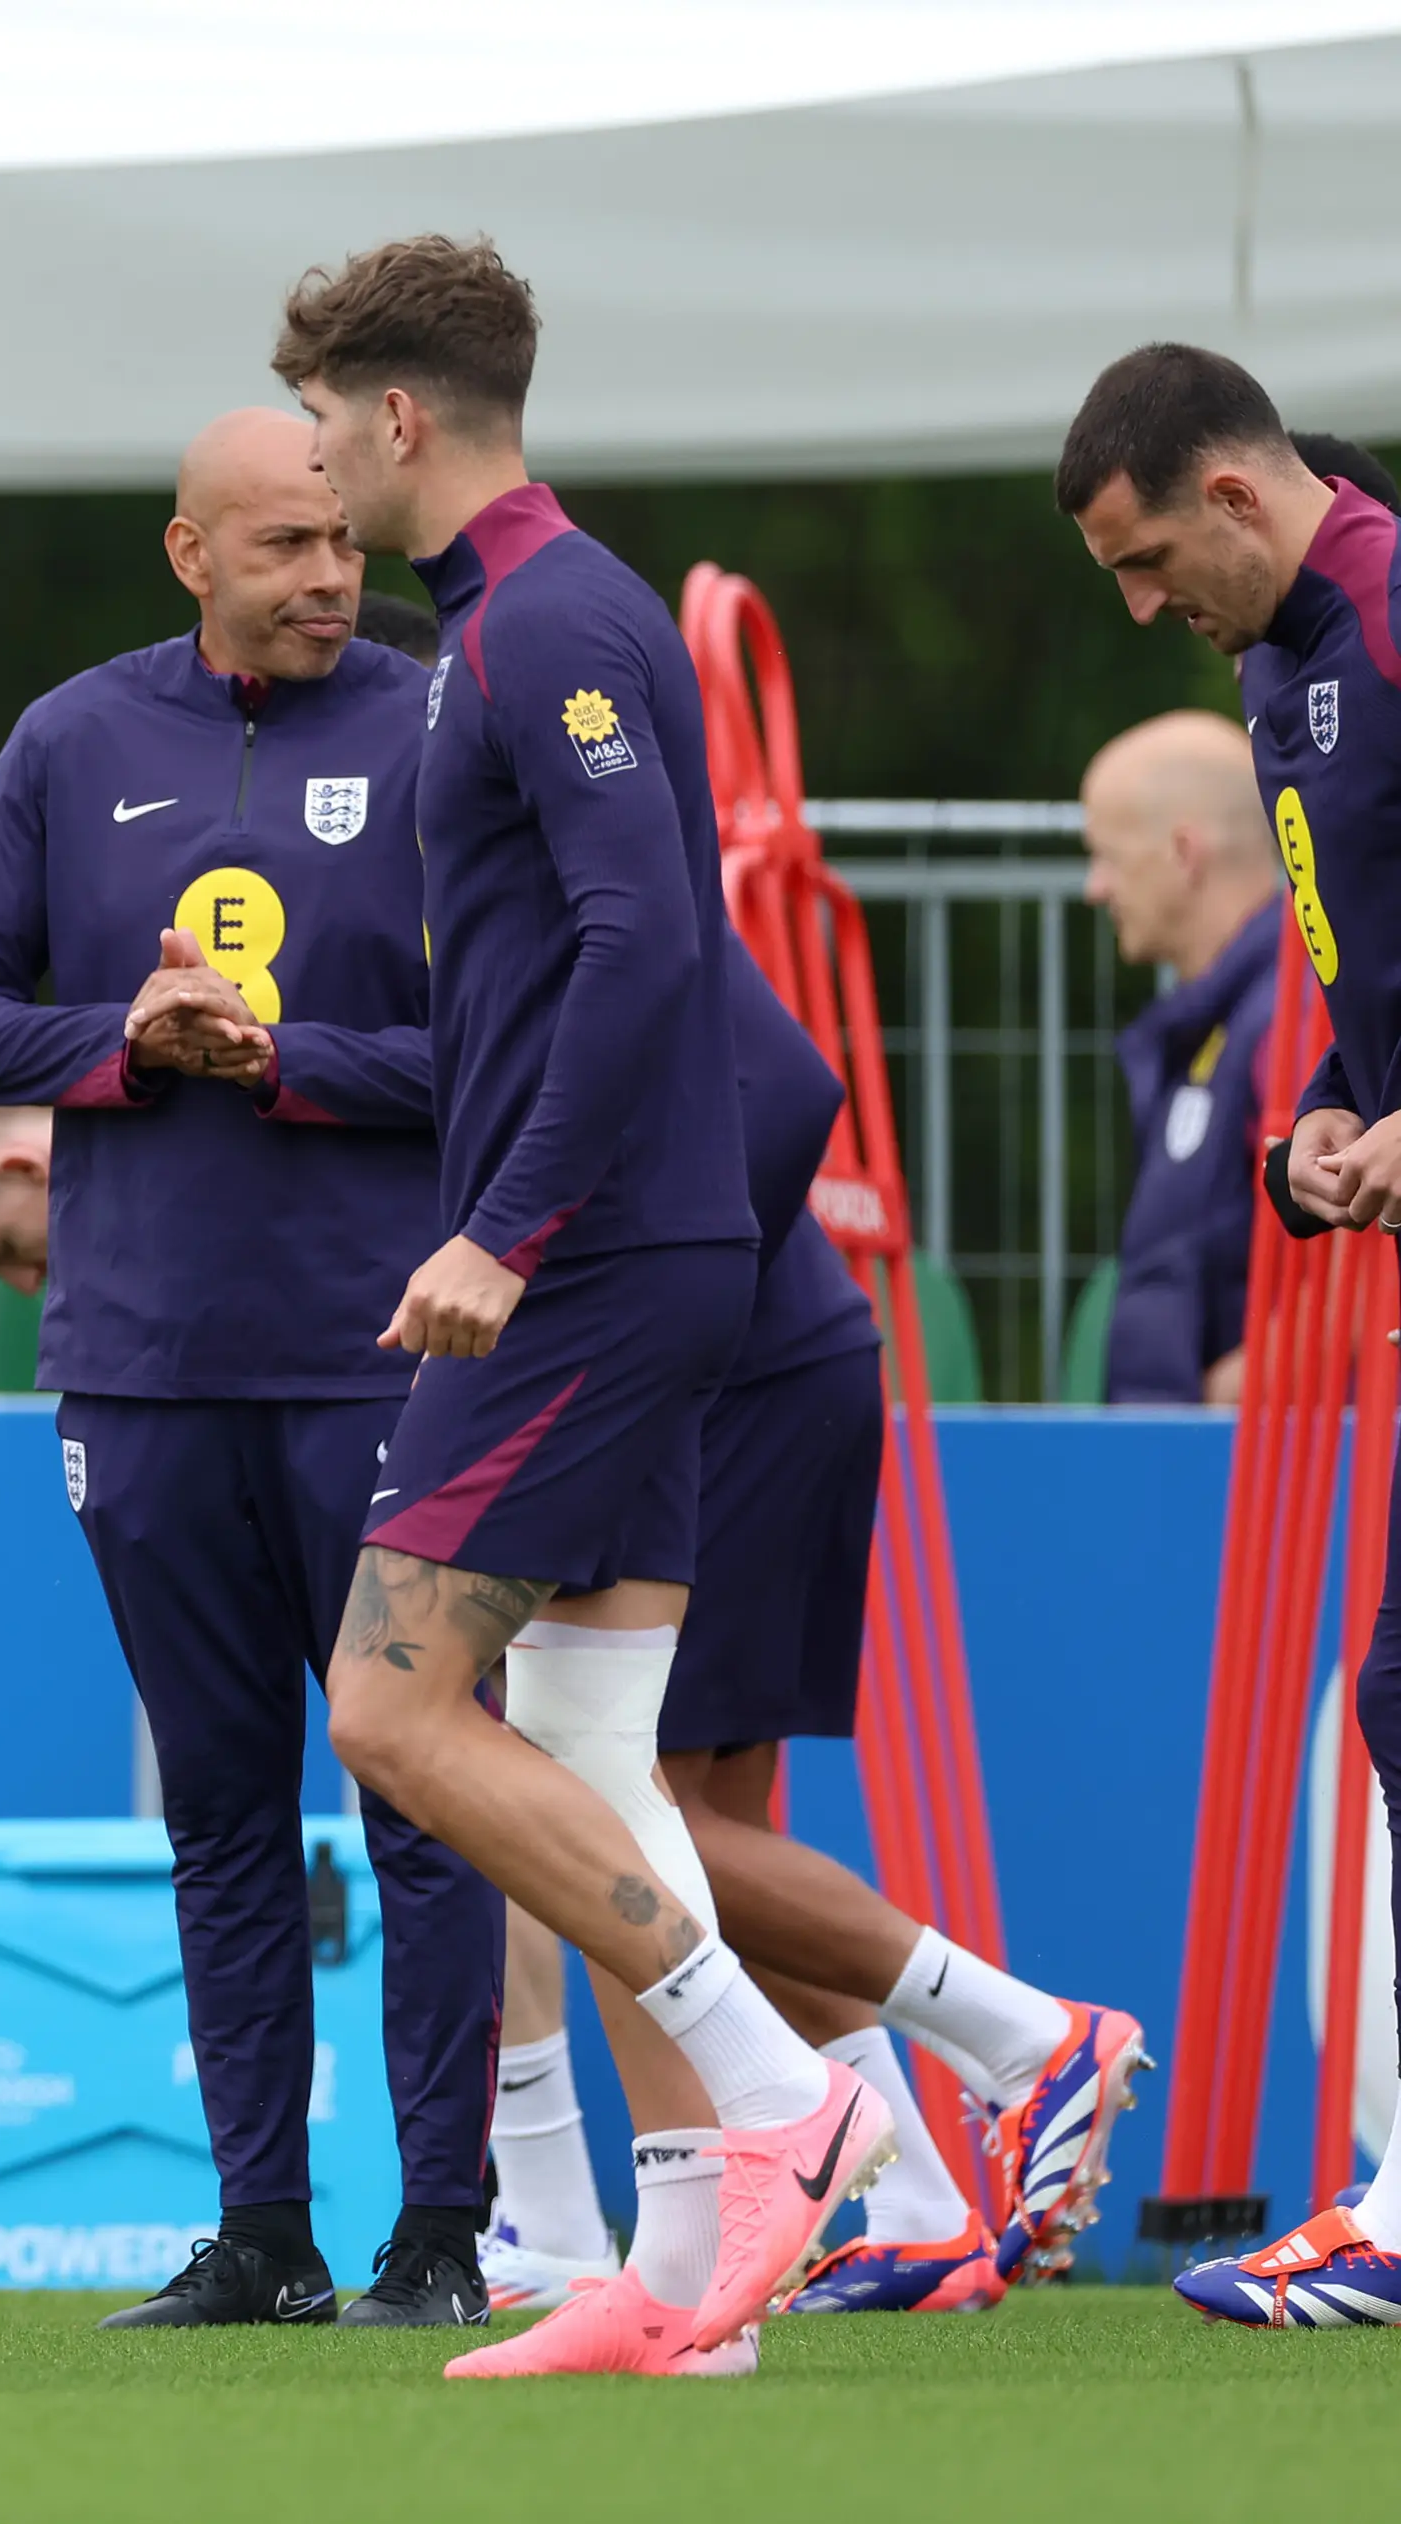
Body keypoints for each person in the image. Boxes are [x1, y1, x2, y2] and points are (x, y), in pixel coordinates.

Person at [270, 236, 889, 2380]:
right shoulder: (512, 623)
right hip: (628, 1251)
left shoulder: (550, 617)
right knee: (593, 1752)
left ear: (405, 416)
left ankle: (790, 2091)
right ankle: (688, 2285)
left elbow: (650, 939)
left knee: (384, 1703)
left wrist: (509, 1229)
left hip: (598, 1265)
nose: (316, 457)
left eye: (329, 419)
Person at [0, 405, 502, 2331]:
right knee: (222, 1805)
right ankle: (265, 2232)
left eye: (346, 543)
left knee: (424, 1797)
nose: (334, 577)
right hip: (142, 1369)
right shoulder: (74, 738)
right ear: (191, 556)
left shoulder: (437, 724)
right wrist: (127, 1041)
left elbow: (513, 1047)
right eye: (289, 549)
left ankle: (442, 2231)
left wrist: (293, 1064)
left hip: (376, 1354)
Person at [483, 987, 1147, 2318]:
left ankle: (1031, 2040)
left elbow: (787, 1089)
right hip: (767, 1363)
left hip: (738, 1379)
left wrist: (677, 1308)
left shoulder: (573, 836)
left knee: (609, 1800)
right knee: (702, 1822)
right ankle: (914, 2207)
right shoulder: (535, 844)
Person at [1062, 343, 1401, 2324]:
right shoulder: (1289, 671)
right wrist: (1345, 1115)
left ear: (1241, 496)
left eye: (1145, 555)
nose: (1139, 609)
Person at [1080, 711, 1280, 1405]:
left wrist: (1248, 1391)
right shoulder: (1218, 1023)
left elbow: (1359, 1246)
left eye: (1107, 855)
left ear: (1184, 853)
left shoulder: (1293, 1017)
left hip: (1250, 1477)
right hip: (1192, 1464)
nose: (1094, 888)